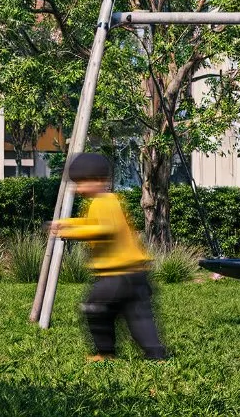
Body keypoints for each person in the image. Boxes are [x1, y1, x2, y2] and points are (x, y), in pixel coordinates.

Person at [53, 149, 167, 361]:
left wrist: (69, 231)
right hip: (135, 272)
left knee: (95, 308)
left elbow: (104, 229)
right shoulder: (109, 200)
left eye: (81, 183)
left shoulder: (102, 201)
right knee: (138, 316)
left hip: (116, 275)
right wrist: (67, 223)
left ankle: (105, 353)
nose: (78, 189)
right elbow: (92, 224)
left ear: (98, 180)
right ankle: (155, 354)